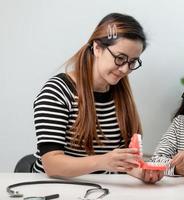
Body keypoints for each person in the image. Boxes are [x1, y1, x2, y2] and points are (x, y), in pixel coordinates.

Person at [32, 13, 162, 183]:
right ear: (97, 48)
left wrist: (139, 171)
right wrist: (102, 161)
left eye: (132, 62)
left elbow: (120, 160)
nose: (125, 69)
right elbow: (52, 164)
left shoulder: (120, 95)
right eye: (120, 58)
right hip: (50, 186)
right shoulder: (58, 91)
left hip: (100, 187)